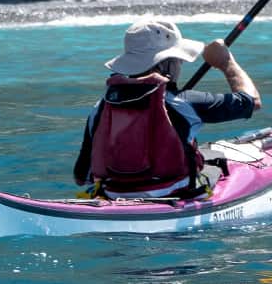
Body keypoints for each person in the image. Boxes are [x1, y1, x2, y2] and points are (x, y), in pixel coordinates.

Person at [73, 19, 261, 198]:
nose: (181, 64)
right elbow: (251, 102)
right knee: (216, 159)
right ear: (166, 65)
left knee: (210, 153)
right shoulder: (184, 102)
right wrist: (226, 62)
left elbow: (81, 177)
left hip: (111, 194)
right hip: (172, 193)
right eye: (178, 59)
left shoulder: (102, 106)